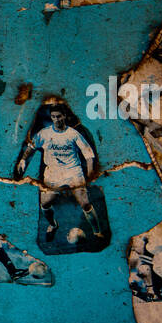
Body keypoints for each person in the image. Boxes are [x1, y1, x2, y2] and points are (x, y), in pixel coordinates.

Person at [13, 97, 102, 242]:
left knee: (85, 203)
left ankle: (97, 232)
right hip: (53, 173)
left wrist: (90, 175)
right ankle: (53, 225)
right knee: (45, 204)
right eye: (53, 117)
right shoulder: (45, 133)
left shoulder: (73, 134)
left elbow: (88, 154)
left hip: (73, 171)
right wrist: (23, 160)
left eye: (59, 116)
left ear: (65, 116)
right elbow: (31, 147)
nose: (56, 119)